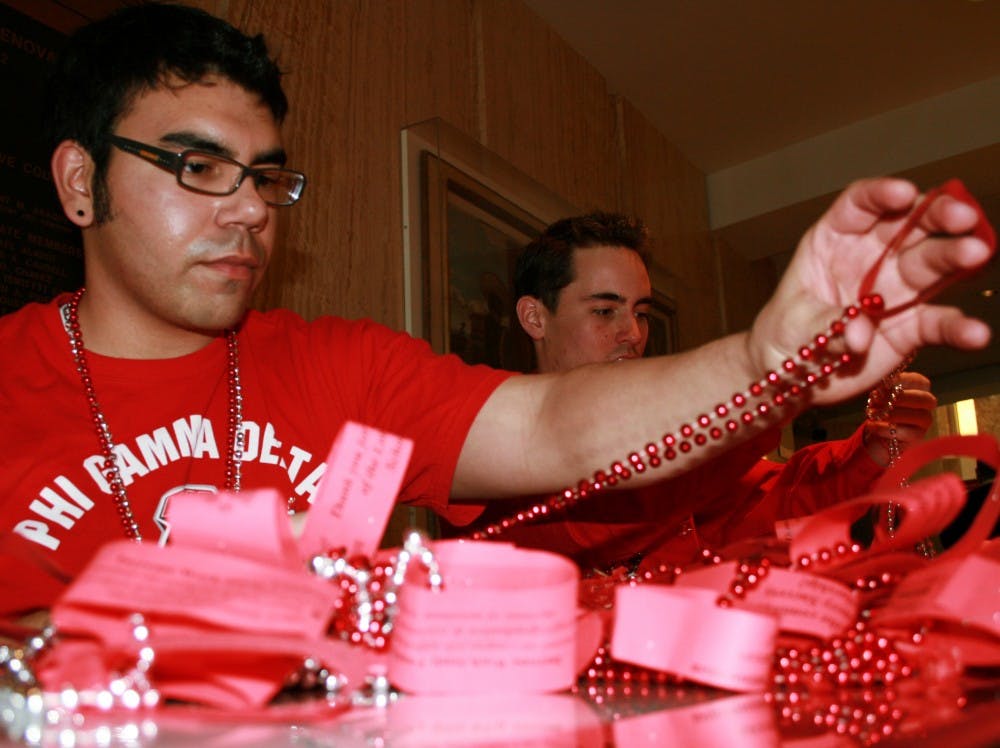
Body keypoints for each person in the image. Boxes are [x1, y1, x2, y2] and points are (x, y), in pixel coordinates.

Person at [0, 2, 994, 624]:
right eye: (197, 166)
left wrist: (766, 356)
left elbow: (549, 422)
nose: (251, 207)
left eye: (264, 175)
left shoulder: (339, 366)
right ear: (81, 183)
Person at [444, 213, 937, 573]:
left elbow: (775, 497)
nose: (633, 333)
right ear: (535, 317)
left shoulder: (664, 426)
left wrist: (872, 450)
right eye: (604, 311)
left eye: (639, 311)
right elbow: (599, 528)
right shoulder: (488, 432)